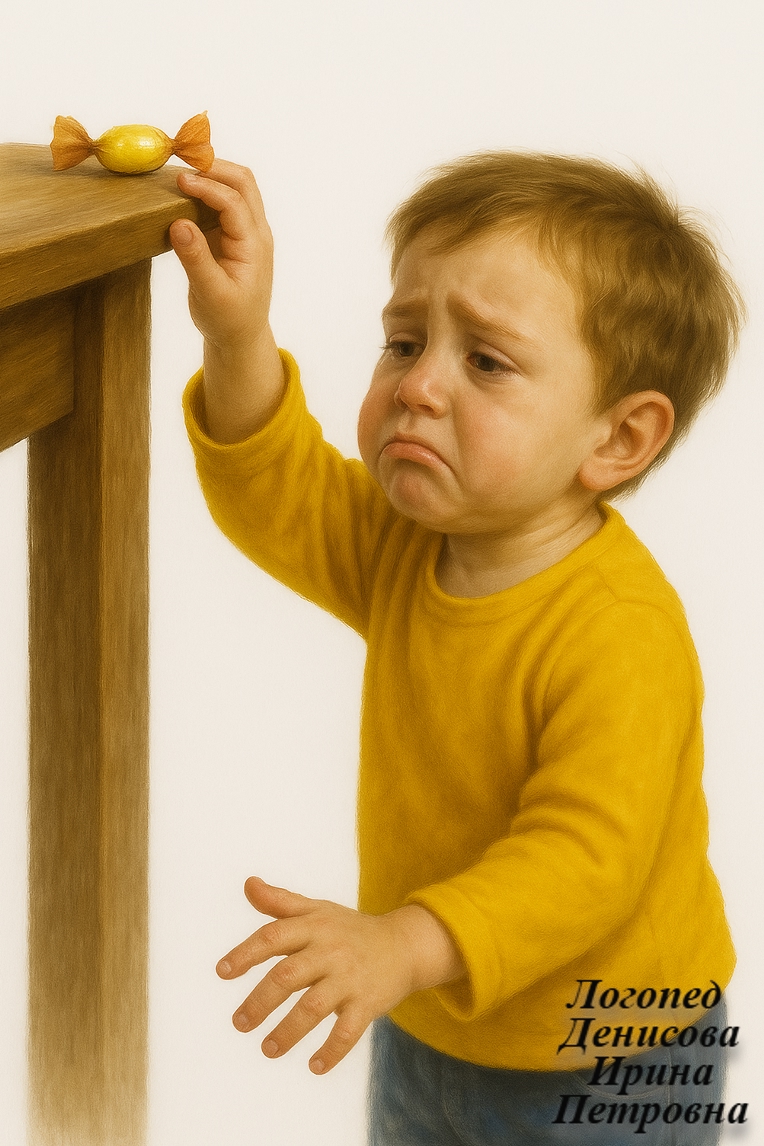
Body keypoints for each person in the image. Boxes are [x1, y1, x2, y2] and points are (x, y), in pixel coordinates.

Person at [169, 151, 745, 1144]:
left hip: (614, 1051)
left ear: (617, 439)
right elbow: (280, 493)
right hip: (433, 1015)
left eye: (485, 362)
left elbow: (583, 862)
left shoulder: (618, 627)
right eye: (402, 342)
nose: (418, 385)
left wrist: (402, 943)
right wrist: (237, 334)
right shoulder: (409, 545)